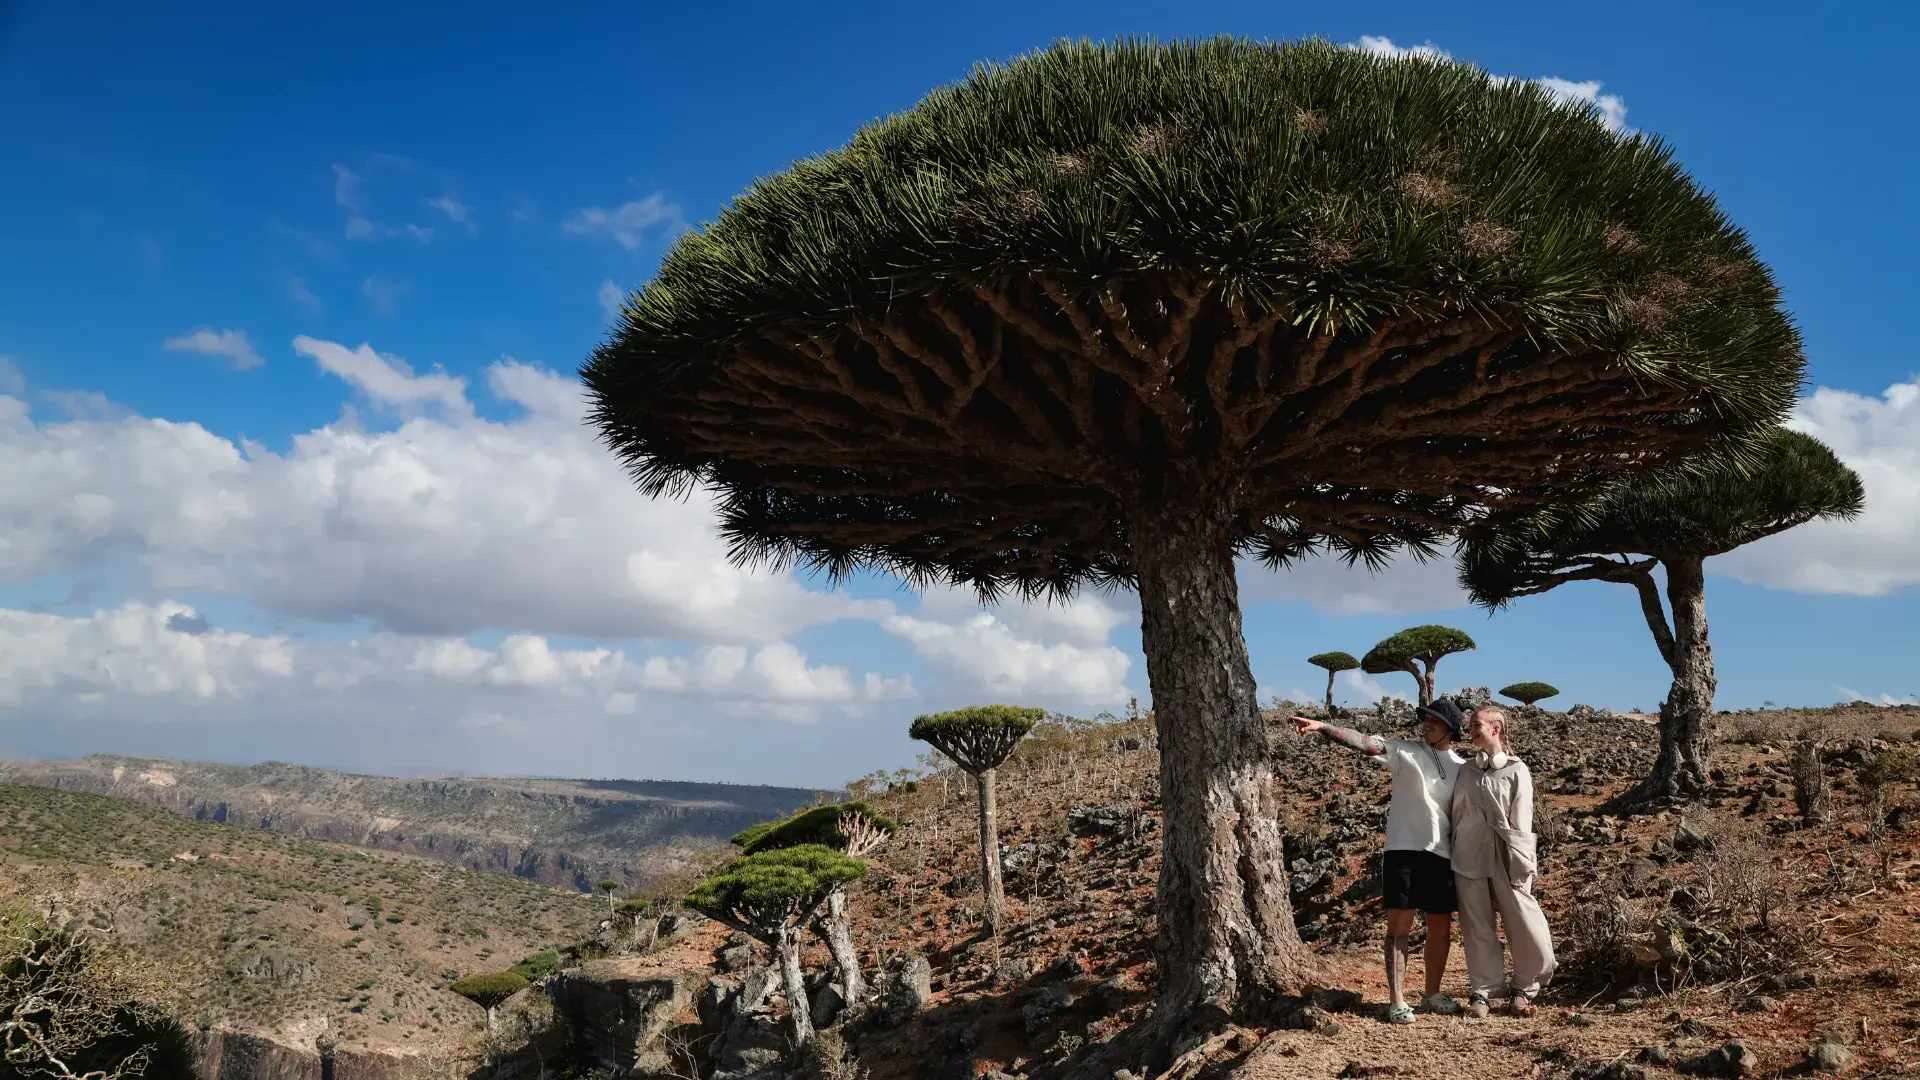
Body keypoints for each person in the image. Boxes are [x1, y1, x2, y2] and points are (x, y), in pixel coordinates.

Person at [1292, 700, 1468, 1024]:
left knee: (1440, 929)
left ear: (1451, 728)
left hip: (1442, 856)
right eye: (1425, 718)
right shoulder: (1404, 752)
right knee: (1399, 927)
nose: (1426, 723)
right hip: (1402, 851)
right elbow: (1365, 742)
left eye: (1434, 719)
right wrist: (1324, 727)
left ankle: (1432, 994)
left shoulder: (1462, 767)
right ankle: (1397, 1000)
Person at [1451, 705, 1555, 1018]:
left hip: (1507, 856)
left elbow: (1523, 819)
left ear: (1496, 729)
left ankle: (1526, 987)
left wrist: (1521, 862)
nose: (1471, 731)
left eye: (1477, 725)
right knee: (1477, 927)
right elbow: (1456, 813)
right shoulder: (1467, 770)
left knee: (1524, 923)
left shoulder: (1516, 769)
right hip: (1469, 855)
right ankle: (1482, 993)